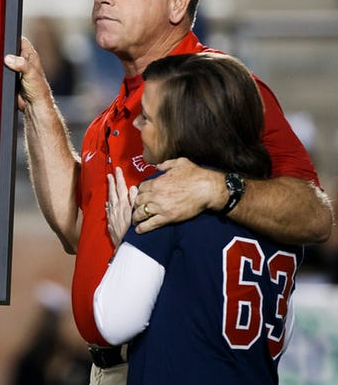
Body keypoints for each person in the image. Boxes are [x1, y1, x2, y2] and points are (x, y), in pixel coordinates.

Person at [3, 0, 331, 384]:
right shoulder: (111, 117)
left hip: (175, 360)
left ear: (178, 3)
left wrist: (219, 187)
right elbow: (76, 229)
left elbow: (314, 215)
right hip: (111, 367)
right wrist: (38, 102)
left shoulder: (224, 98)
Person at [94, 52, 302, 383]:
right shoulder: (275, 208)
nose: (136, 125)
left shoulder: (169, 195)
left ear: (182, 128)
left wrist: (124, 249)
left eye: (146, 118)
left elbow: (113, 319)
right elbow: (275, 334)